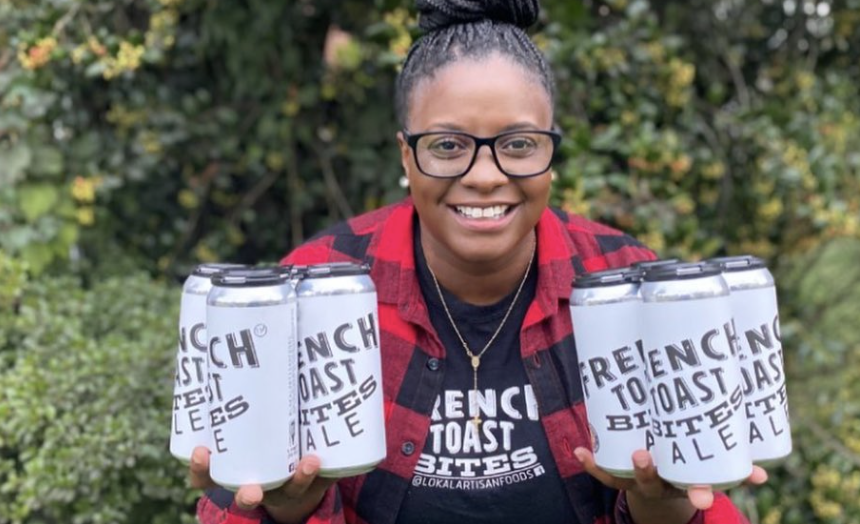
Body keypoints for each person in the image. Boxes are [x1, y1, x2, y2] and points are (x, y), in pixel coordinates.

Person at [191, 1, 767, 522]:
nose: (486, 176)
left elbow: (698, 500)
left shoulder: (625, 284)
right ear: (406, 154)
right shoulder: (316, 285)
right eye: (447, 146)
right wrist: (289, 510)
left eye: (518, 144)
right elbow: (227, 509)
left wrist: (661, 507)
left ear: (551, 151)